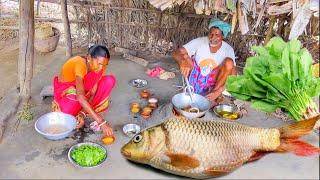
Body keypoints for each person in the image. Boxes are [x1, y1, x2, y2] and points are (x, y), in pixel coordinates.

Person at [52, 45, 116, 138]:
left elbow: (93, 91)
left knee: (109, 81)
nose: (101, 68)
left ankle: (84, 110)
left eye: (104, 65)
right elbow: (80, 96)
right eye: (99, 64)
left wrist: (82, 113)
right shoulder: (79, 63)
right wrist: (101, 122)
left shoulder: (101, 66)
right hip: (67, 91)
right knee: (73, 101)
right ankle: (82, 108)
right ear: (89, 58)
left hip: (85, 91)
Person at [172, 18, 237, 105]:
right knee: (185, 56)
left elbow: (234, 75)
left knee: (229, 62)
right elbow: (176, 52)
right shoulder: (200, 41)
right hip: (197, 76)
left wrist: (219, 91)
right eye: (211, 33)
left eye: (217, 34)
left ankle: (213, 96)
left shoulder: (228, 49)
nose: (213, 37)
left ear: (223, 36)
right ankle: (192, 89)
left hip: (215, 79)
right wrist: (182, 61)